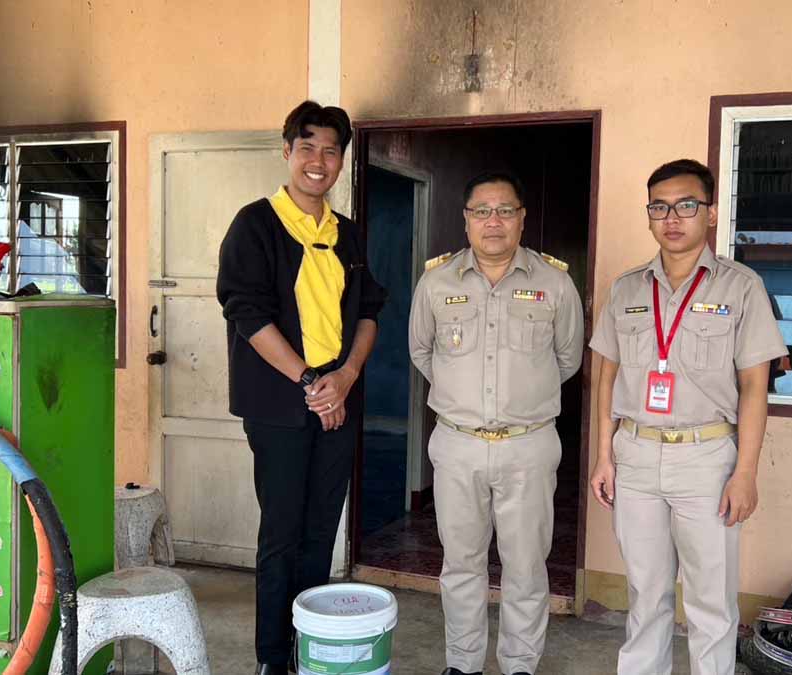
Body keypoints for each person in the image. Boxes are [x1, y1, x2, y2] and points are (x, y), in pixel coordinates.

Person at [588, 159, 787, 675]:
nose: (672, 218)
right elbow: (607, 377)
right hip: (635, 453)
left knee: (710, 603)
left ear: (711, 213)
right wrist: (604, 455)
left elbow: (754, 387)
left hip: (707, 457)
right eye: (659, 207)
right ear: (649, 215)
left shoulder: (741, 287)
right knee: (645, 595)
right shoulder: (627, 289)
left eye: (686, 205)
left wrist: (745, 472)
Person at [216, 100, 387, 675]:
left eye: (331, 151)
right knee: (281, 535)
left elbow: (368, 312)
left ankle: (307, 647)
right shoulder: (256, 224)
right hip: (280, 407)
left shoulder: (348, 234)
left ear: (341, 161)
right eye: (307, 147)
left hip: (337, 401)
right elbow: (247, 313)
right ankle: (271, 658)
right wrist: (313, 383)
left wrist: (346, 377)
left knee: (320, 534)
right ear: (287, 151)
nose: (319, 160)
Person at [408, 172, 584, 675]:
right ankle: (463, 664)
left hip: (528, 444)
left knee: (526, 564)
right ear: (466, 220)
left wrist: (520, 400)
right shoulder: (436, 282)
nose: (493, 221)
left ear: (522, 219)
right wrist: (462, 397)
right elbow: (422, 351)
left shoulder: (554, 282)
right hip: (457, 443)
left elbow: (567, 358)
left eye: (505, 210)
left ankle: (519, 665)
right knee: (460, 562)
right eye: (482, 211)